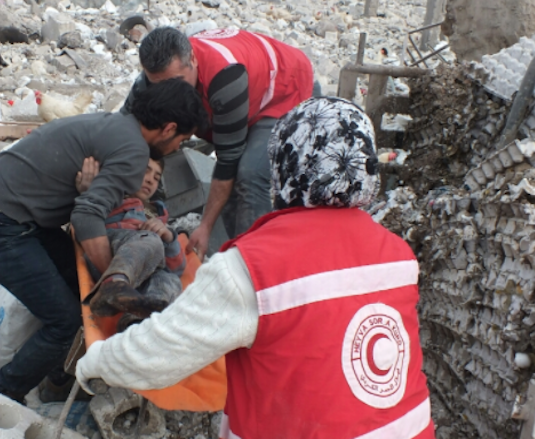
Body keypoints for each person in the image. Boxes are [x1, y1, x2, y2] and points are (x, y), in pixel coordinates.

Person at [77, 98, 436, 439]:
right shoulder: (397, 254)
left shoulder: (253, 268)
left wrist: (94, 363)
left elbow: (154, 355)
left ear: (284, 162)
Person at [0, 78, 207, 404]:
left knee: (80, 291)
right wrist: (111, 280)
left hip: (6, 212)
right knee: (65, 320)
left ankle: (60, 374)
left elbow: (89, 205)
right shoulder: (133, 151)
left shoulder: (117, 126)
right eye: (181, 140)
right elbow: (88, 216)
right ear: (168, 128)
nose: (177, 148)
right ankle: (4, 396)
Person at [121, 26, 315, 259]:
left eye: (176, 82)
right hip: (234, 92)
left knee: (249, 174)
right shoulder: (153, 79)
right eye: (159, 84)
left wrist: (205, 226)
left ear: (192, 59)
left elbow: (228, 161)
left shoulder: (225, 77)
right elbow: (121, 128)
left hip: (280, 91)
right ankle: (228, 253)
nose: (168, 91)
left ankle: (253, 264)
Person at [77, 157, 186, 332]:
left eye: (157, 177)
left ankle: (137, 322)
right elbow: (87, 214)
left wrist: (168, 237)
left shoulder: (156, 217)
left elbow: (178, 269)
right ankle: (113, 283)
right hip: (109, 252)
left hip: (140, 274)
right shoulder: (112, 196)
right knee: (151, 240)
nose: (151, 179)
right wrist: (89, 192)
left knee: (169, 279)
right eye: (146, 171)